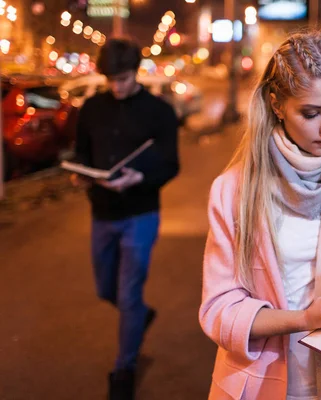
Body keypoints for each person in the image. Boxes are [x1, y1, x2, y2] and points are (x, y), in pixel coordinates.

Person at [199, 31, 321, 399]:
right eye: (311, 112)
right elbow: (218, 310)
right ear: (276, 104)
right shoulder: (234, 189)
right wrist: (304, 319)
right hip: (257, 383)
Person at [71, 38, 179, 400]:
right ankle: (140, 317)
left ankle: (124, 370)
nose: (117, 86)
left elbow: (171, 164)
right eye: (110, 79)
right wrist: (80, 174)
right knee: (106, 290)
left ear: (137, 72)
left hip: (141, 213)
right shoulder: (91, 108)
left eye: (123, 78)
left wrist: (141, 179)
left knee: (129, 293)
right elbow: (81, 152)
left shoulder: (159, 112)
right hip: (101, 213)